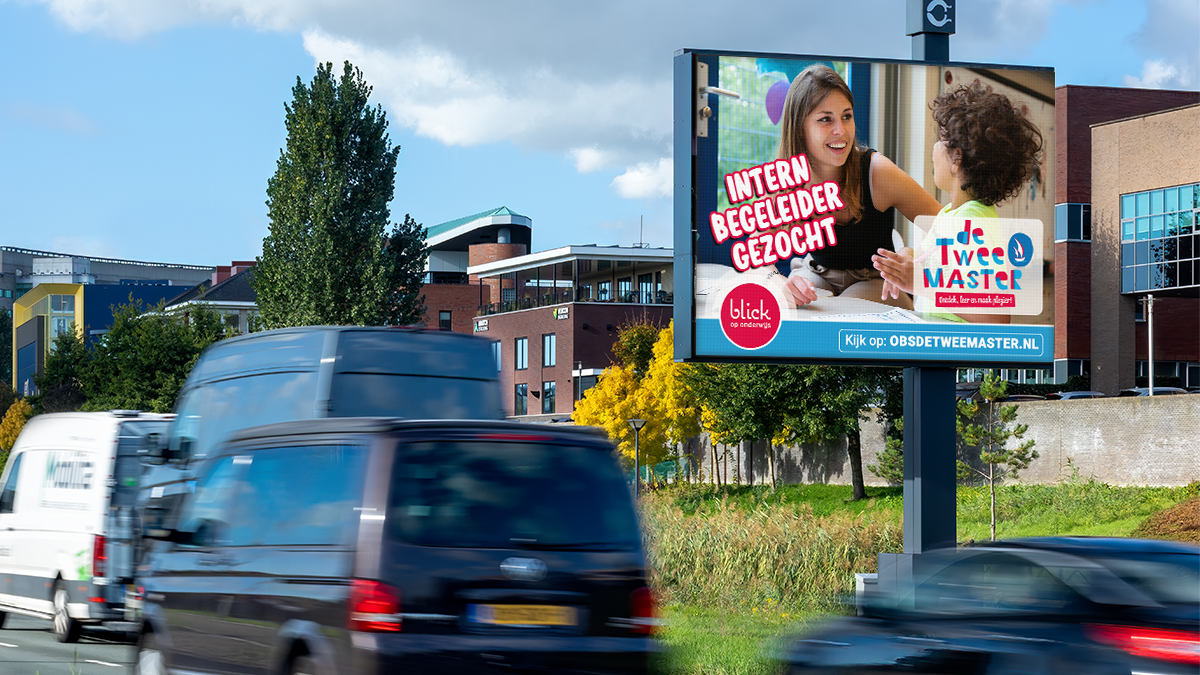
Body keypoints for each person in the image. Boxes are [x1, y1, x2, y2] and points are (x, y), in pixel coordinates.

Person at [871, 81, 1044, 323]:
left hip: (958, 359)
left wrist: (920, 282)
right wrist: (904, 260)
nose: (934, 147)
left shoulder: (972, 222)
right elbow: (924, 261)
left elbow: (995, 317)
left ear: (956, 159)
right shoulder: (949, 216)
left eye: (941, 138)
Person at [778, 65, 942, 310]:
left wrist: (911, 255)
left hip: (875, 279)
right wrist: (776, 281)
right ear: (799, 128)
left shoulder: (878, 172)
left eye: (847, 116)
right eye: (825, 119)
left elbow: (953, 228)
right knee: (790, 308)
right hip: (818, 272)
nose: (841, 131)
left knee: (841, 313)